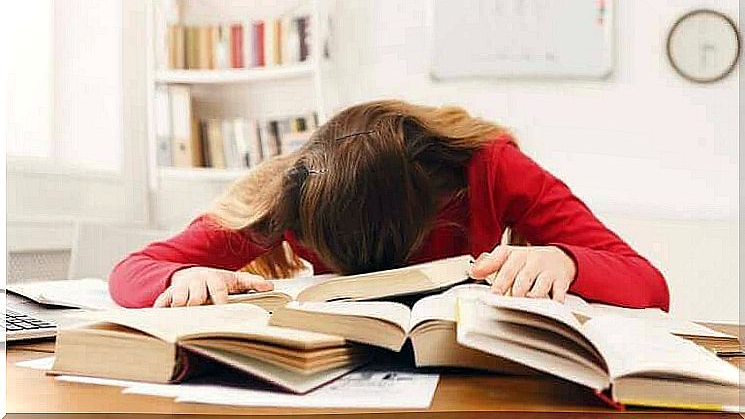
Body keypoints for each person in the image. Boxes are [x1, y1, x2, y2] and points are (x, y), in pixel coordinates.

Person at [109, 100, 669, 310]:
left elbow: (649, 284)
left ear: (446, 197)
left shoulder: (487, 167)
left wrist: (566, 262)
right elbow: (132, 272)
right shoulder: (287, 192)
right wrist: (179, 279)